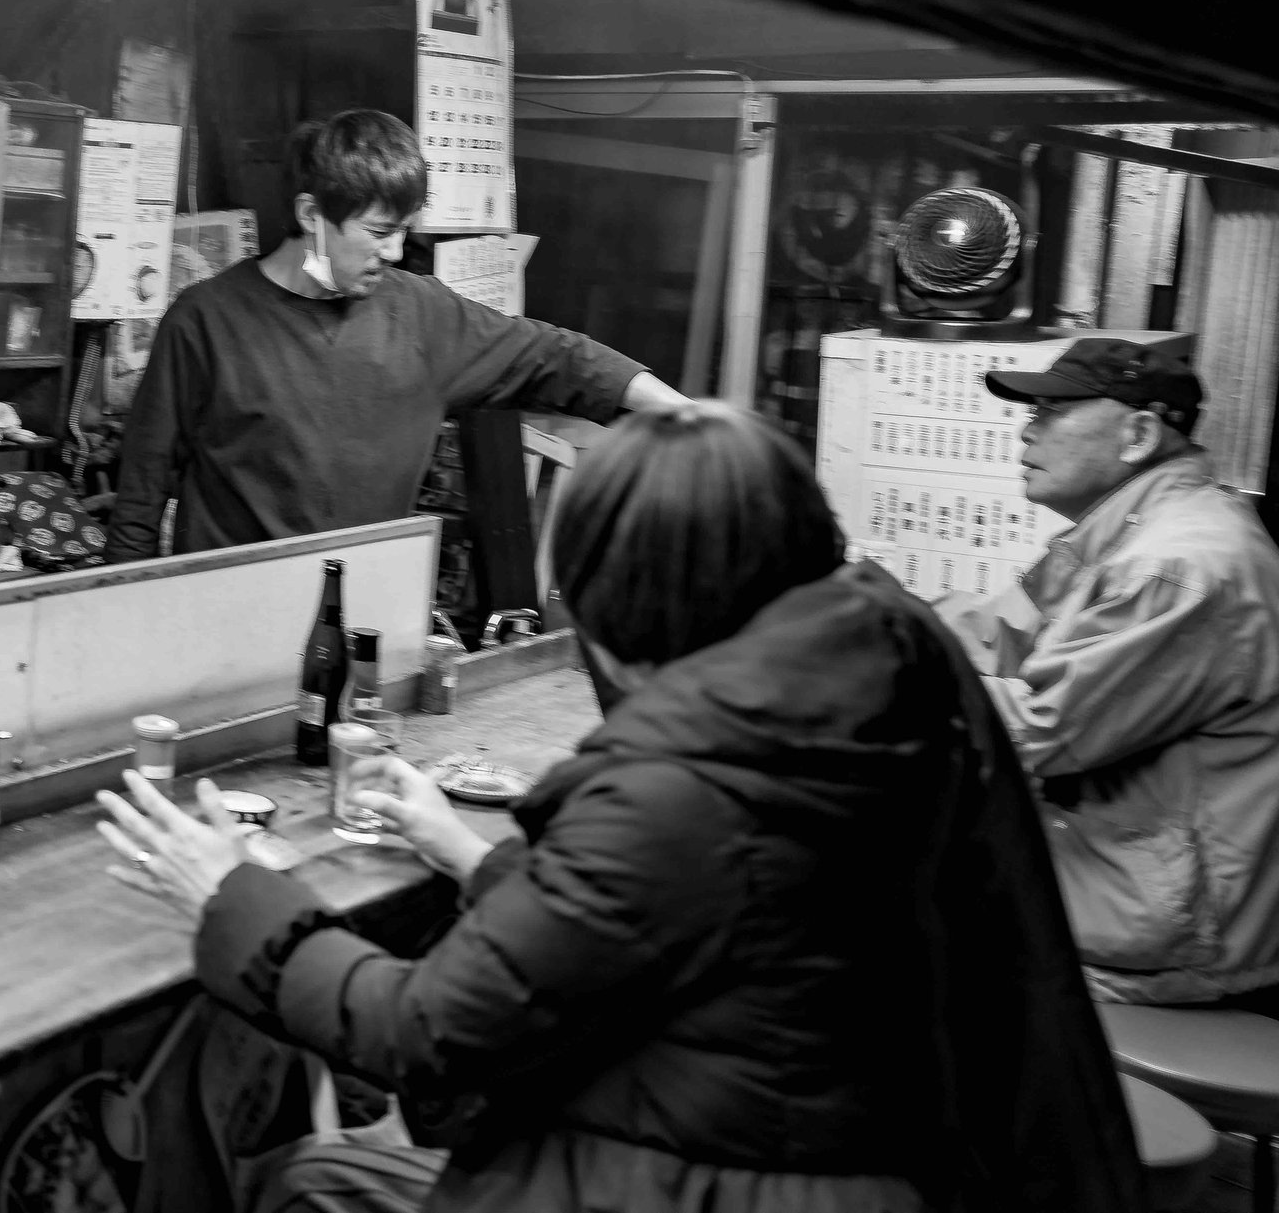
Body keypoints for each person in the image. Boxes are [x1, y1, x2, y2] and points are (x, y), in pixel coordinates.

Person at [96, 403, 1140, 1212]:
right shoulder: (875, 676)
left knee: (313, 1179)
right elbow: (673, 915)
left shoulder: (690, 775)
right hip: (859, 1154)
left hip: (700, 1181)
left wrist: (233, 892)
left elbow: (421, 1031)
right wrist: (469, 852)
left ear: (626, 597)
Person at [103, 109, 686, 562]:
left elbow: (555, 357)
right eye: (379, 231)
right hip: (231, 618)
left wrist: (683, 413)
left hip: (367, 619)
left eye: (404, 230)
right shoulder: (206, 320)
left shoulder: (422, 315)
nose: (396, 251)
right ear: (311, 215)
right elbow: (141, 493)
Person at [937, 336, 1279, 1010]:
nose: (1026, 431)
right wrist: (874, 621)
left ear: (1138, 434)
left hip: (1167, 935)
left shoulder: (1177, 565)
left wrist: (881, 676)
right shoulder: (1116, 537)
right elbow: (996, 636)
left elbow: (1037, 730)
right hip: (1118, 876)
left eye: (1051, 413)